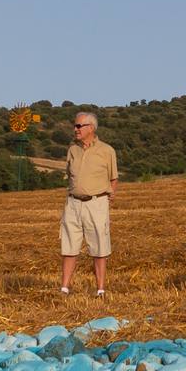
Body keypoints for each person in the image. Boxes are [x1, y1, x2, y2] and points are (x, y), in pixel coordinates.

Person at [57, 112, 117, 295]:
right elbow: (70, 175)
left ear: (91, 128)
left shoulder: (107, 151)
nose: (75, 129)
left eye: (79, 126)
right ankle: (64, 288)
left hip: (96, 203)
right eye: (75, 126)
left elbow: (113, 178)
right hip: (73, 204)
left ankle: (100, 290)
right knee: (69, 246)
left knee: (99, 246)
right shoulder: (72, 150)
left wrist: (110, 195)